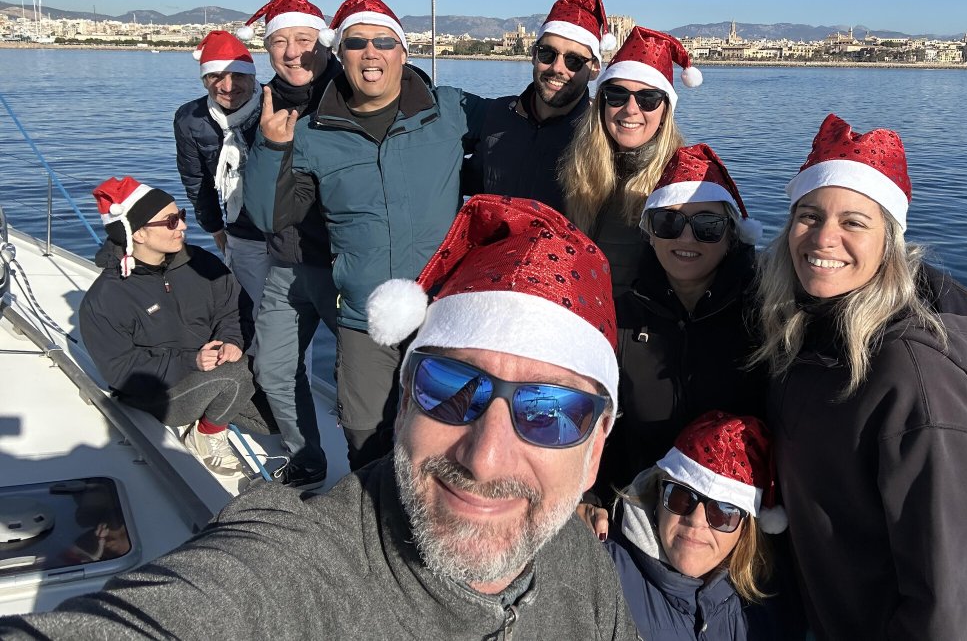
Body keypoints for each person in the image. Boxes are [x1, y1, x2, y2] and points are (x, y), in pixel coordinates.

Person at [1, 195, 638, 639]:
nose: (486, 457)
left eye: (552, 412)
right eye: (451, 387)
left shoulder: (579, 564)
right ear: (403, 400)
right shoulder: (298, 566)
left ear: (596, 450)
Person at [754, 114, 967, 640]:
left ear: (889, 243)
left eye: (854, 222)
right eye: (809, 216)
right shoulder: (806, 333)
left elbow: (950, 602)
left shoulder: (914, 376)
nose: (824, 238)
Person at [244, 0, 483, 470]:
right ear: (341, 54)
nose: (371, 52)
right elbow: (271, 217)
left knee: (451, 432)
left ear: (403, 52)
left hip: (443, 309)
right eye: (356, 43)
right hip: (362, 317)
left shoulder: (451, 110)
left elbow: (521, 136)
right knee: (364, 432)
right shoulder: (310, 133)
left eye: (384, 41)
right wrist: (271, 149)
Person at [592, 143, 768, 499]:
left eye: (707, 225)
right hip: (635, 506)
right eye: (668, 222)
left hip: (731, 516)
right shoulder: (621, 318)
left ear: (731, 234)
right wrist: (592, 497)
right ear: (650, 232)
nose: (686, 237)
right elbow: (601, 426)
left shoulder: (765, 318)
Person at [235, 0, 343, 489]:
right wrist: (268, 143)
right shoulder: (261, 104)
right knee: (274, 367)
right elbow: (257, 199)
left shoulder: (353, 94)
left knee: (364, 378)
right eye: (280, 42)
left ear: (324, 42)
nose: (293, 52)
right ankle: (306, 457)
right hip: (285, 260)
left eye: (304, 39)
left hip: (342, 266)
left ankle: (379, 467)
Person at [79, 176, 256, 478]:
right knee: (239, 373)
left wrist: (231, 340)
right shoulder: (106, 297)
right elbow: (121, 370)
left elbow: (235, 309)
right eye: (171, 221)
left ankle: (219, 404)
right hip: (160, 395)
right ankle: (206, 433)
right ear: (139, 233)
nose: (183, 226)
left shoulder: (201, 263)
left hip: (212, 369)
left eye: (181, 215)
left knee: (277, 408)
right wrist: (191, 361)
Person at [599, 410, 791, 641]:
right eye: (680, 497)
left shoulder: (774, 601)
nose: (696, 521)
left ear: (746, 528)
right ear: (658, 493)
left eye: (723, 512)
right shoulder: (601, 575)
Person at [559, 26, 698, 298]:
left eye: (648, 99)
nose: (631, 109)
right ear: (602, 103)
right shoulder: (579, 169)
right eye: (617, 95)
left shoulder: (682, 186)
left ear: (665, 110)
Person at [463, 0, 615, 211]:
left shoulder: (601, 136)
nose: (557, 68)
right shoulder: (499, 114)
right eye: (547, 54)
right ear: (534, 55)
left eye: (574, 60)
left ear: (594, 69)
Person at [173, 29, 269, 316]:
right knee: (249, 310)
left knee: (296, 314)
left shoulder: (276, 105)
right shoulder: (191, 119)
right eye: (216, 76)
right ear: (204, 80)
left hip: (292, 230)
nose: (228, 86)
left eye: (238, 75)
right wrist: (214, 227)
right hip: (242, 229)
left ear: (253, 76)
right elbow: (195, 179)